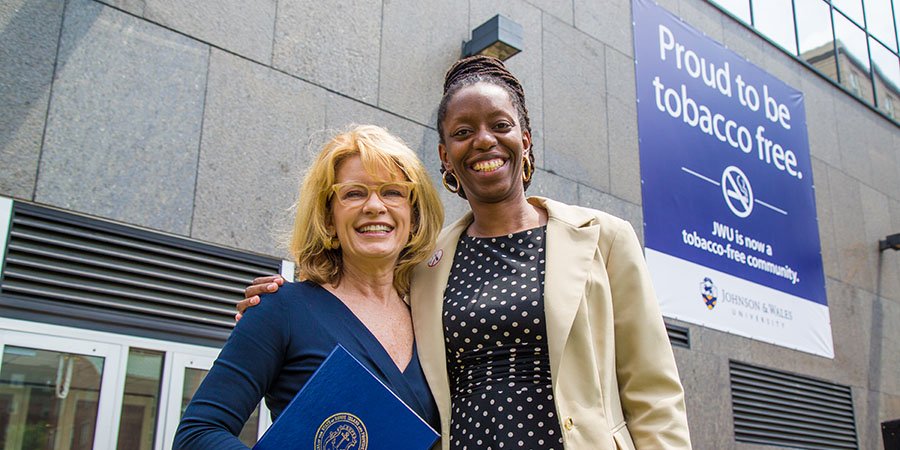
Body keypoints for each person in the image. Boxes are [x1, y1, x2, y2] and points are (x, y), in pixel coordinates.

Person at [241, 56, 692, 449]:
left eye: (500, 125)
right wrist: (278, 307)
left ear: (525, 138)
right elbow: (362, 302)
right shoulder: (422, 267)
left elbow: (654, 394)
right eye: (463, 131)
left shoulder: (603, 238)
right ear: (445, 154)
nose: (483, 141)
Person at [174, 125, 444, 449]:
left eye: (392, 192)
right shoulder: (280, 309)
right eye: (354, 193)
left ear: (413, 218)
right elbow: (197, 434)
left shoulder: (433, 321)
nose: (374, 206)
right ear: (329, 219)